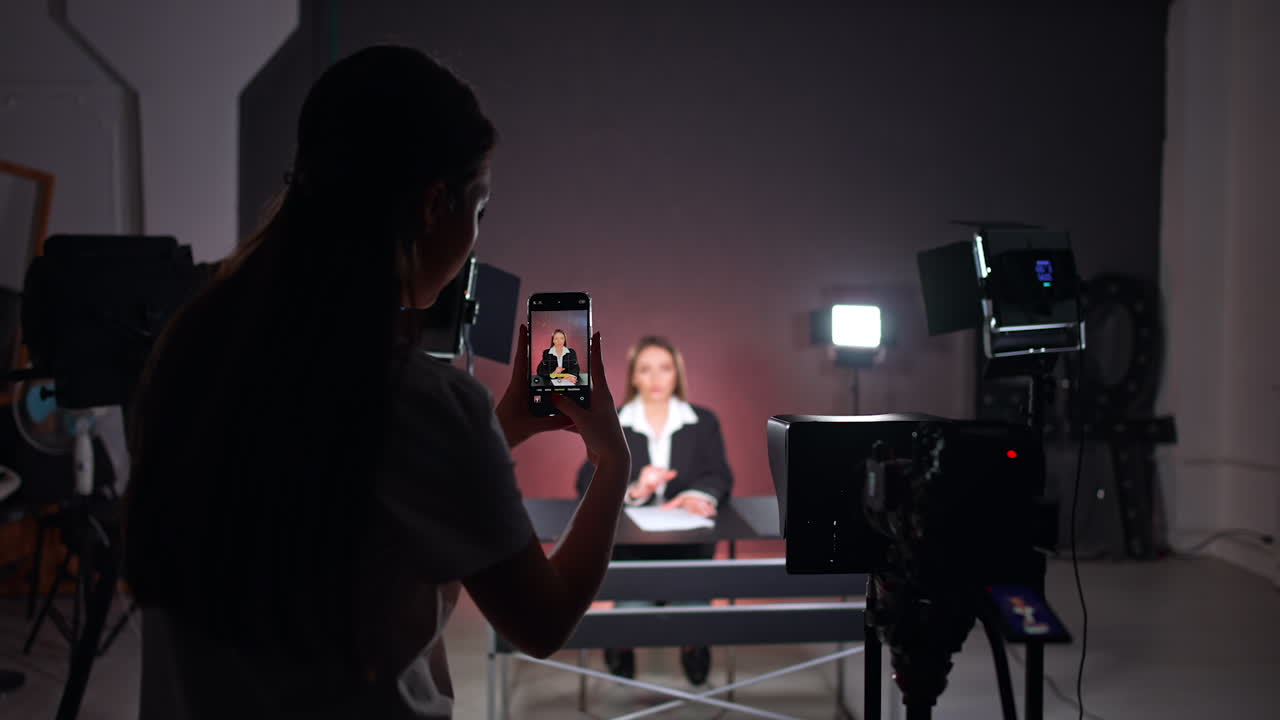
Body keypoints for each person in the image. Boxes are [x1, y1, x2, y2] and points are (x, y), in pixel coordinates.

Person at [123, 45, 631, 720]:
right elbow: (541, 622)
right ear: (432, 205)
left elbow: (377, 495)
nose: (475, 241)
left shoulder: (192, 353)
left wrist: (500, 425)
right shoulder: (422, 402)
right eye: (477, 211)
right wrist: (612, 462)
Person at [575, 336, 733, 685]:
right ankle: (621, 645)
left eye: (664, 368)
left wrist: (697, 495)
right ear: (634, 377)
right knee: (631, 612)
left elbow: (719, 475)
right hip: (632, 550)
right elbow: (586, 481)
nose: (656, 378)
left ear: (677, 373)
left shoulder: (703, 421)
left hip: (690, 549)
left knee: (692, 610)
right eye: (645, 369)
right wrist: (634, 489)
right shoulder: (612, 422)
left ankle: (694, 646)